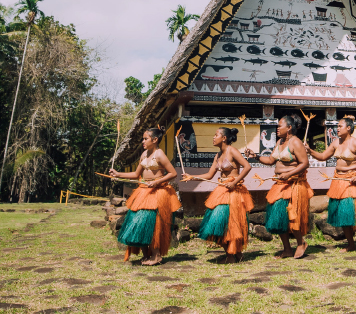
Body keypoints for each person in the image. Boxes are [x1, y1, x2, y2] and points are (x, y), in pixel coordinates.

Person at [110, 128, 180, 265]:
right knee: (138, 222)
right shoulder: (143, 154)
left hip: (157, 192)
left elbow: (173, 173)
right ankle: (146, 255)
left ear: (154, 140)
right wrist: (118, 174)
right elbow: (136, 175)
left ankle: (156, 256)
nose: (143, 141)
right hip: (143, 191)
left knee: (152, 223)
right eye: (143, 139)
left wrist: (156, 182)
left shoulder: (159, 154)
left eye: (145, 139)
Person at [245, 114, 312, 259]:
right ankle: (287, 249)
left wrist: (289, 174)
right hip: (280, 184)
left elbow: (305, 163)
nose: (277, 128)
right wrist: (255, 156)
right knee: (279, 215)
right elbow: (270, 160)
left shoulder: (295, 142)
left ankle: (301, 243)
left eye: (280, 125)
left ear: (289, 128)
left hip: (294, 184)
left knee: (291, 215)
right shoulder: (280, 142)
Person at [183, 127, 253, 263]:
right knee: (218, 223)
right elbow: (209, 175)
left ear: (224, 138)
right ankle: (234, 254)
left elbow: (247, 166)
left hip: (233, 192)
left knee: (231, 224)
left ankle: (232, 256)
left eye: (216, 135)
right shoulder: (217, 155)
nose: (213, 137)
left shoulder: (232, 151)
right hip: (221, 190)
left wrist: (234, 182)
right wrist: (192, 177)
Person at [306, 115, 356, 253]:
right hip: (338, 180)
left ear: (348, 128)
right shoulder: (336, 143)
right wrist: (310, 151)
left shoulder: (355, 143)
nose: (337, 129)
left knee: (355, 213)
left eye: (340, 126)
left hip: (353, 180)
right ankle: (350, 244)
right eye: (337, 126)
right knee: (343, 213)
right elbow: (324, 156)